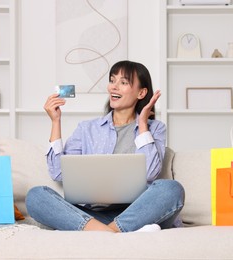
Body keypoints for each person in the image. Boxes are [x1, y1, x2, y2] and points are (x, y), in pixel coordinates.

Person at [26, 60, 185, 232]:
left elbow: (151, 172)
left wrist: (142, 124)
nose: (113, 87)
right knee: (36, 196)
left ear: (141, 93)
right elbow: (57, 172)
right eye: (112, 80)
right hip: (92, 214)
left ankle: (99, 231)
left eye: (123, 82)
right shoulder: (87, 129)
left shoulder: (155, 129)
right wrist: (55, 122)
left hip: (138, 212)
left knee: (171, 189)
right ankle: (112, 231)